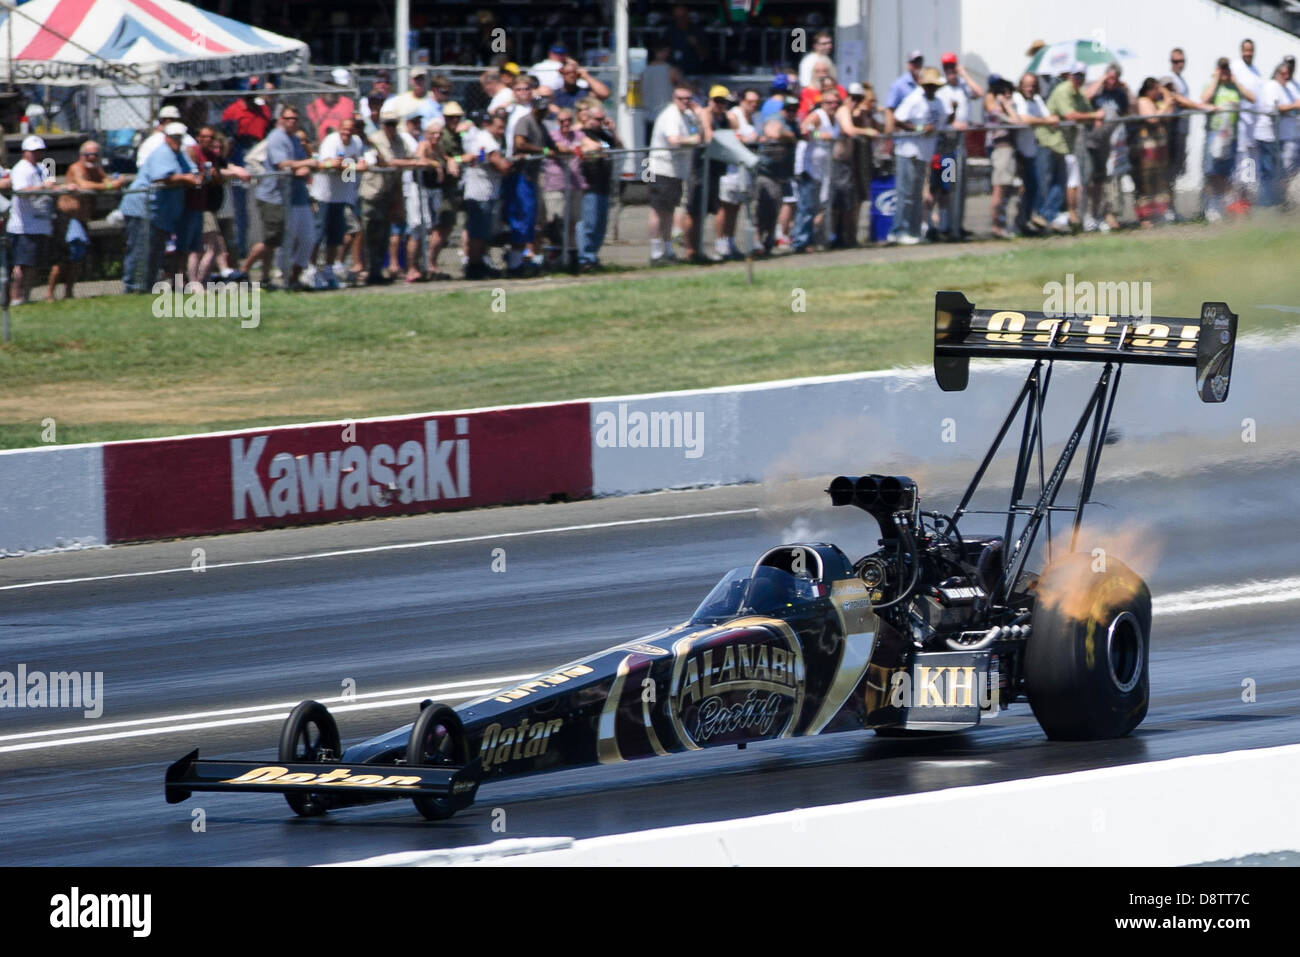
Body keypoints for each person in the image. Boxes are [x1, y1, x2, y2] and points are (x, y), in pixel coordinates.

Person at [243, 106, 318, 290]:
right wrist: (308, 163)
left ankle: (289, 279)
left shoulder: (294, 139)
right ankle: (243, 272)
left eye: (295, 118)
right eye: (288, 118)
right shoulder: (277, 137)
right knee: (273, 239)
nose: (292, 121)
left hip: (295, 196)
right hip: (274, 196)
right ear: (281, 119)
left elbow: (299, 169)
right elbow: (282, 164)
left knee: (306, 238)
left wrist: (305, 166)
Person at [47, 141, 122, 300]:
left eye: (95, 155)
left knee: (77, 257)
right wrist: (110, 186)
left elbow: (106, 180)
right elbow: (83, 184)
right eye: (89, 155)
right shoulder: (76, 168)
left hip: (81, 219)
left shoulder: (96, 169)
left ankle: (69, 291)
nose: (92, 157)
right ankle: (49, 294)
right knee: (62, 258)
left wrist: (113, 182)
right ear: (82, 155)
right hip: (67, 218)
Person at [360, 107, 420, 284]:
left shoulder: (401, 141)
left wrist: (414, 161)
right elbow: (388, 162)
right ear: (382, 124)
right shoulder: (376, 140)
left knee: (385, 234)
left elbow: (412, 158)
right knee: (371, 233)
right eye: (388, 124)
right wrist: (409, 162)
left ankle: (377, 271)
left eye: (394, 124)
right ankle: (369, 271)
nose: (391, 127)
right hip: (373, 192)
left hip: (389, 193)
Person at [647, 86, 707, 264]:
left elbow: (701, 135)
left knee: (669, 211)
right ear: (674, 98)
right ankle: (656, 252)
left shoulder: (687, 116)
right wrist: (694, 141)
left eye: (689, 98)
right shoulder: (670, 115)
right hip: (661, 168)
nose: (686, 102)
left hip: (677, 170)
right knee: (658, 210)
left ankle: (667, 249)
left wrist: (699, 115)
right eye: (681, 98)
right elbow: (674, 140)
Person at [1042, 62, 1103, 232]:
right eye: (1076, 75)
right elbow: (1071, 115)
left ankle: (1068, 216)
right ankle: (1051, 216)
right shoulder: (1063, 90)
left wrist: (1093, 116)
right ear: (1070, 75)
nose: (1078, 79)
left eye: (1081, 76)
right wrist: (1094, 115)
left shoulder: (1079, 94)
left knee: (1070, 180)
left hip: (1066, 144)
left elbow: (1087, 110)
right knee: (1056, 182)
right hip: (1051, 142)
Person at [142, 124, 202, 292]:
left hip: (168, 211)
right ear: (166, 137)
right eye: (174, 137)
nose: (177, 141)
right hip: (150, 209)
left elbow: (193, 171)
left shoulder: (178, 154)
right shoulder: (162, 153)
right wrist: (186, 178)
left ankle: (166, 285)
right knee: (150, 250)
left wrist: (193, 176)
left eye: (179, 138)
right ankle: (140, 288)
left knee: (162, 250)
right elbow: (161, 178)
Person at [888, 67, 944, 245]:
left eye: (933, 86)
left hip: (924, 153)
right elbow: (898, 119)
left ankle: (913, 231)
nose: (930, 89)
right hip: (908, 151)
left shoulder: (939, 103)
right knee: (906, 193)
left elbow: (942, 122)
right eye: (928, 85)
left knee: (917, 195)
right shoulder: (913, 99)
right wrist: (919, 129)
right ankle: (898, 231)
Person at [312, 116, 367, 287]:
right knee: (318, 234)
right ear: (339, 128)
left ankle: (329, 270)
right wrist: (354, 167)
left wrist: (351, 167)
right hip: (324, 195)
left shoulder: (356, 142)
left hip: (341, 196)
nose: (347, 132)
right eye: (344, 128)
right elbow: (332, 164)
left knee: (335, 236)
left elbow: (348, 170)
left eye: (351, 129)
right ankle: (311, 269)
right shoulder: (331, 142)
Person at [934, 52, 983, 240]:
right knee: (949, 184)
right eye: (947, 67)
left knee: (960, 186)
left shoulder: (963, 86)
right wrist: (953, 125)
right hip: (948, 143)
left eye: (952, 67)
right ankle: (946, 225)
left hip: (962, 144)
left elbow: (979, 93)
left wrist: (964, 74)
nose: (950, 71)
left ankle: (957, 224)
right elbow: (940, 116)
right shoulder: (941, 88)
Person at [459, 109, 512, 279]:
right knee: (477, 233)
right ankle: (473, 266)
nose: (501, 131)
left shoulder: (493, 139)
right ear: (489, 125)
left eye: (503, 128)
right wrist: (511, 165)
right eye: (498, 127)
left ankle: (480, 263)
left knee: (483, 233)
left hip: (489, 193)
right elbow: (501, 165)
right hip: (478, 194)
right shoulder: (486, 139)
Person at [6, 135, 56, 304]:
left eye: (40, 151)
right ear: (25, 152)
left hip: (40, 224)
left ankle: (26, 297)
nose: (37, 154)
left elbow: (51, 185)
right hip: (23, 226)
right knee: (21, 265)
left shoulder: (43, 167)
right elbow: (20, 190)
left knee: (33, 265)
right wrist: (43, 186)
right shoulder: (21, 168)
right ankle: (16, 297)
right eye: (34, 151)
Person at [1202, 57, 1250, 221]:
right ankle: (1211, 206)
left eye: (1226, 68)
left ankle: (1222, 206)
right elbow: (1204, 99)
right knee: (1212, 171)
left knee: (1225, 172)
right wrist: (1216, 79)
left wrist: (1235, 82)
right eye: (1221, 69)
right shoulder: (1212, 85)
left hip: (1231, 136)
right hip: (1215, 134)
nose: (1224, 72)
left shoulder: (1233, 87)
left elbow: (1252, 97)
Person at [830, 83, 878, 247]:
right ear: (847, 97)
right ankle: (837, 236)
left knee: (849, 201)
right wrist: (867, 131)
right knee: (840, 201)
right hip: (839, 163)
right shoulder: (843, 111)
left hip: (847, 164)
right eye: (853, 98)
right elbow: (849, 130)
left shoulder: (853, 113)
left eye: (858, 99)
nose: (855, 102)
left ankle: (846, 236)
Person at [1083, 64, 1130, 232]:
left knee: (1107, 179)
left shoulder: (1119, 94)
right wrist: (1101, 80)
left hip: (1113, 144)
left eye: (1114, 78)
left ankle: (1105, 214)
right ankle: (1090, 213)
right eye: (1109, 78)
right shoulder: (1096, 90)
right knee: (1092, 179)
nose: (1111, 82)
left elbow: (1128, 111)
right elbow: (1086, 97)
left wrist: (1126, 89)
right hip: (1093, 142)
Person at [715, 87, 760, 260]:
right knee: (725, 207)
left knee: (736, 207)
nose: (753, 105)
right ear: (742, 101)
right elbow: (734, 137)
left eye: (756, 102)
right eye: (750, 101)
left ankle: (730, 241)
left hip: (744, 170)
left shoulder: (752, 118)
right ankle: (720, 243)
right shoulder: (734, 115)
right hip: (730, 170)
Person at [793, 88, 840, 252]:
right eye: (829, 102)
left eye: (836, 102)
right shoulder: (818, 115)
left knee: (818, 206)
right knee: (806, 206)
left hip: (823, 169)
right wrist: (820, 135)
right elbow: (804, 129)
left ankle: (813, 239)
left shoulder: (835, 119)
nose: (833, 105)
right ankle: (800, 242)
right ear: (822, 103)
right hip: (809, 168)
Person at [575, 102, 621, 271]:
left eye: (603, 119)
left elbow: (619, 147)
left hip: (604, 184)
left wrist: (613, 130)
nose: (600, 122)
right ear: (588, 118)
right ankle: (584, 258)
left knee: (601, 223)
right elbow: (586, 149)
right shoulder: (581, 133)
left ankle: (593, 256)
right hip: (589, 185)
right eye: (597, 119)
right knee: (589, 223)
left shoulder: (603, 134)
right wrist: (597, 150)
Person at [1011, 73, 1055, 236]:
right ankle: (1018, 223)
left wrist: (1050, 120)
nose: (1030, 88)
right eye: (1027, 84)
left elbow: (1047, 116)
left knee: (1032, 188)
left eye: (1033, 85)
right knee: (1020, 189)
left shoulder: (1036, 100)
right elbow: (1024, 119)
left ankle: (1024, 221)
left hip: (1031, 151)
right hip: (1018, 152)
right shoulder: (1017, 98)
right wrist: (1046, 122)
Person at [754, 97, 799, 253]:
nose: (792, 112)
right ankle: (757, 241)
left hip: (782, 173)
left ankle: (768, 241)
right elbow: (773, 133)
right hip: (766, 172)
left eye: (795, 109)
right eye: (789, 109)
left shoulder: (794, 122)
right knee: (764, 207)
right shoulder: (776, 118)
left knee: (775, 208)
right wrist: (790, 135)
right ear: (783, 109)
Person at [428, 102, 466, 278]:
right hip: (443, 188)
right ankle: (430, 264)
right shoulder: (444, 137)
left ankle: (432, 264)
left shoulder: (457, 135)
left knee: (447, 227)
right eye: (451, 117)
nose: (455, 120)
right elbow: (443, 156)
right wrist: (456, 159)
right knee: (441, 227)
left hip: (453, 187)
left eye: (457, 117)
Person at [1132, 78, 1173, 226]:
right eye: (1156, 89)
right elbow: (1153, 119)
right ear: (1149, 90)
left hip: (1159, 146)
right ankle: (1145, 217)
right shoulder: (1143, 101)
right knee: (1146, 182)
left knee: (1159, 181)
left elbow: (1169, 111)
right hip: (1146, 147)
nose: (1158, 93)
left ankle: (1159, 214)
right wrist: (1165, 104)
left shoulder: (1157, 102)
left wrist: (1165, 93)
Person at [1230, 39, 1264, 205]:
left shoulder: (1256, 70)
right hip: (1241, 125)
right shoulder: (1236, 67)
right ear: (1241, 51)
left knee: (1250, 164)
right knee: (1241, 163)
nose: (1248, 53)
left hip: (1254, 126)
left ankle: (1246, 202)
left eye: (1250, 50)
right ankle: (1238, 201)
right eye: (1245, 50)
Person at [307, 68, 357, 141]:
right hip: (320, 144)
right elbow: (311, 129)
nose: (328, 89)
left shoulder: (348, 103)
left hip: (343, 142)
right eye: (325, 85)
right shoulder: (313, 105)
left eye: (330, 85)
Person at [884, 50, 924, 134]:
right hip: (905, 134)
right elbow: (889, 110)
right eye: (914, 62)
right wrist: (889, 133)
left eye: (919, 62)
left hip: (921, 134)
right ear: (908, 65)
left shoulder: (925, 83)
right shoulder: (898, 85)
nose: (917, 65)